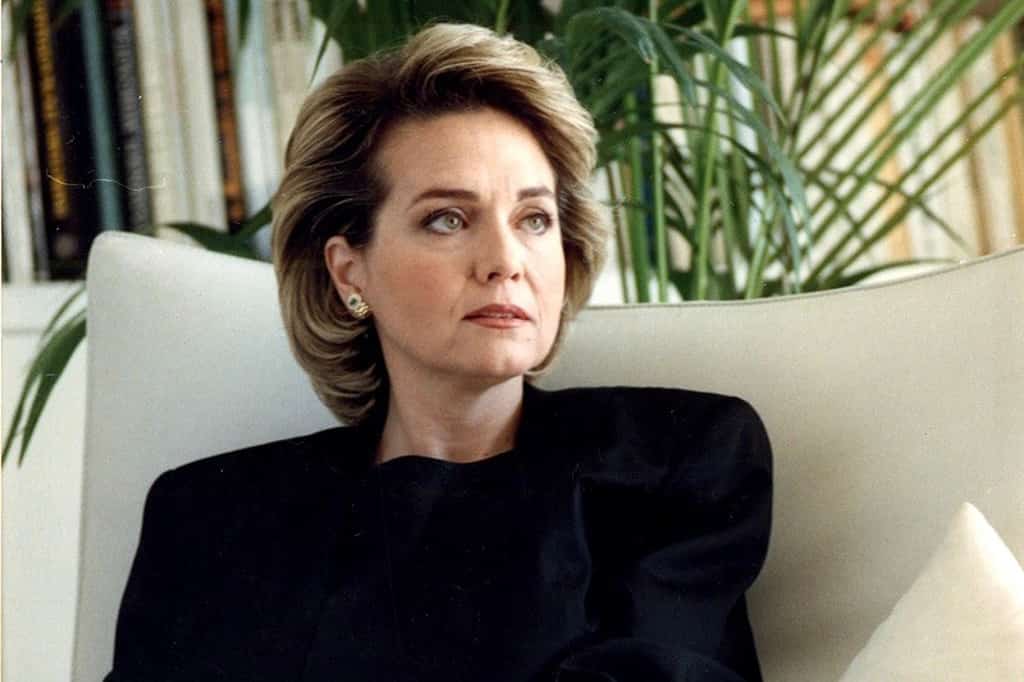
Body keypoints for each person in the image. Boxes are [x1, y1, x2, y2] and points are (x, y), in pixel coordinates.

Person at [105, 22, 773, 682]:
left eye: (534, 219)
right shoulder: (209, 517)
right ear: (350, 272)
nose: (505, 260)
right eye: (447, 219)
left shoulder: (678, 462)